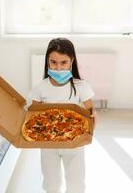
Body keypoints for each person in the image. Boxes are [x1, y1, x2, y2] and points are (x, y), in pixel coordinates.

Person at [26, 37, 97, 193]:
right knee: (51, 185)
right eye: (53, 62)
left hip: (74, 145)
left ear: (71, 61)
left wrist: (89, 131)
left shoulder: (81, 87)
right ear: (47, 62)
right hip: (49, 146)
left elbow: (91, 113)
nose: (58, 68)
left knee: (76, 184)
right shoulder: (40, 88)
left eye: (63, 62)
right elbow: (33, 115)